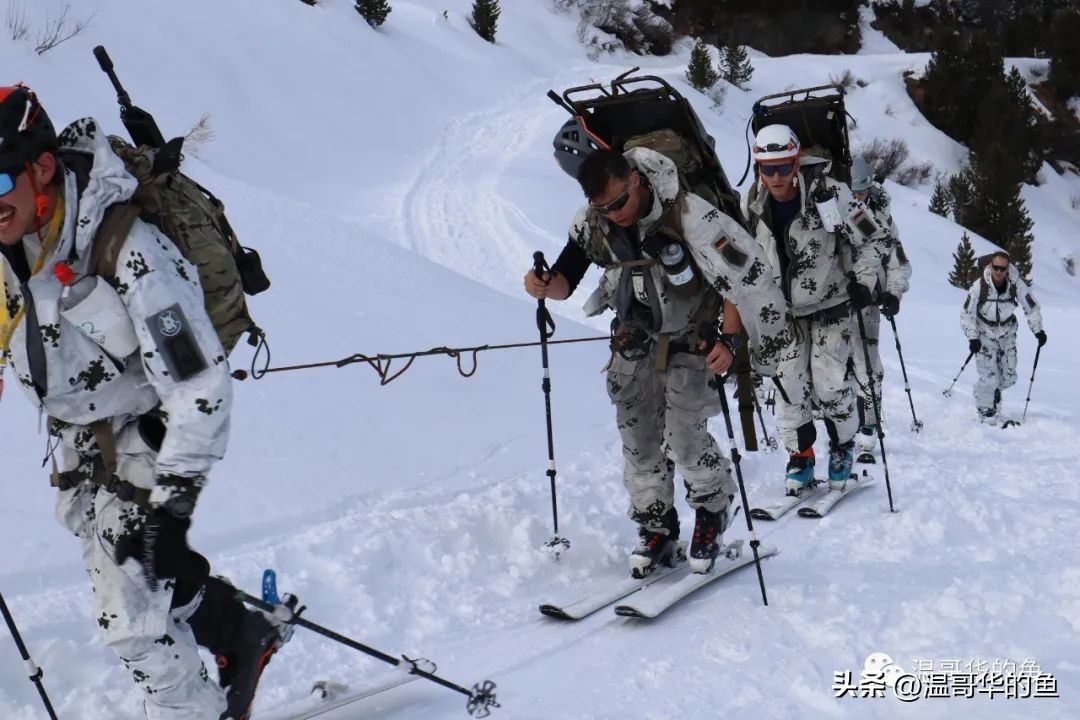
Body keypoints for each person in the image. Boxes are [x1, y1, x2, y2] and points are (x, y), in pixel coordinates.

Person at [0, 84, 285, 720]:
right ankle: (242, 633)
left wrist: (174, 509)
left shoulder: (127, 247)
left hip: (152, 428)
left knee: (129, 618)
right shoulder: (12, 237)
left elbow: (200, 385)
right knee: (149, 571)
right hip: (79, 436)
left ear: (41, 168)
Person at [525, 142, 793, 576]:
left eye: (618, 203)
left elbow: (742, 281)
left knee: (684, 438)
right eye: (603, 208)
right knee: (639, 440)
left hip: (694, 341)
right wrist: (540, 284)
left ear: (634, 180)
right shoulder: (593, 222)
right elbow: (564, 281)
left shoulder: (689, 215)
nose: (615, 215)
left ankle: (712, 510)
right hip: (634, 343)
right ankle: (657, 527)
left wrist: (731, 340)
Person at [741, 124, 887, 494]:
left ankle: (842, 446)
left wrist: (865, 281)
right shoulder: (752, 204)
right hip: (785, 315)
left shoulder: (831, 195)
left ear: (796, 162)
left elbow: (873, 239)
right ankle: (801, 456)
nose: (775, 177)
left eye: (783, 167)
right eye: (767, 168)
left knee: (830, 387)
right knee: (790, 388)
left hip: (831, 307)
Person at [847, 155, 911, 461]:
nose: (857, 197)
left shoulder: (884, 219)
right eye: (853, 192)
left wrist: (894, 293)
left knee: (868, 366)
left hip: (869, 304)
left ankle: (868, 427)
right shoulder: (834, 211)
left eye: (862, 191)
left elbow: (898, 263)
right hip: (835, 300)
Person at [960, 251, 1045, 423]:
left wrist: (1038, 331)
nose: (998, 272)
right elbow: (966, 313)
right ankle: (986, 411)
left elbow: (1031, 307)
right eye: (996, 268)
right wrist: (973, 337)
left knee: (1009, 376)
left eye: (1002, 268)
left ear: (1008, 269)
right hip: (984, 334)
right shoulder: (980, 286)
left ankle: (990, 392)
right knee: (989, 376)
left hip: (1007, 334)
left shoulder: (1016, 284)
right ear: (990, 266)